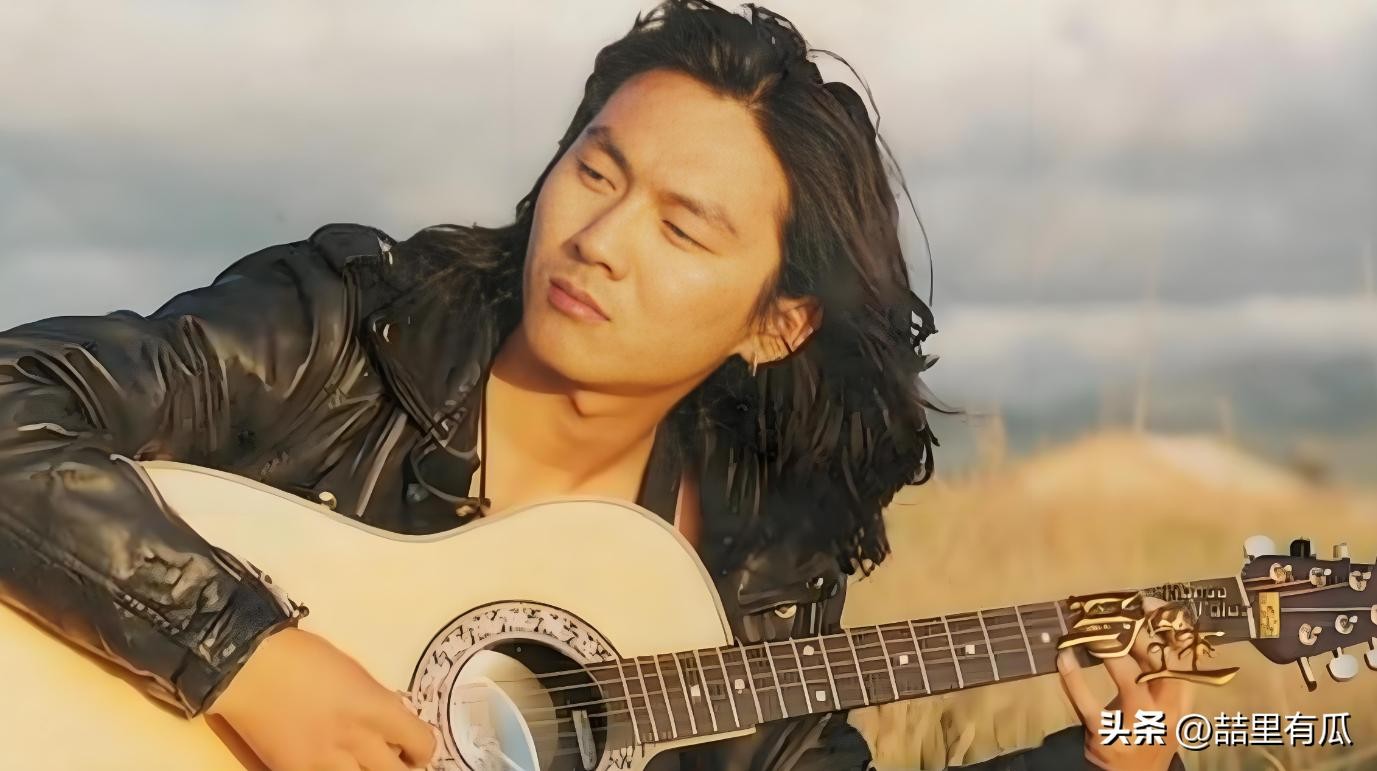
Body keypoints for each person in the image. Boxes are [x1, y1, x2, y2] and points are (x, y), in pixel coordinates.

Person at [0, 2, 1190, 769]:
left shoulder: (751, 556)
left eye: (683, 228)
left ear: (776, 325)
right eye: (598, 170)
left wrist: (1100, 762)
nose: (600, 239)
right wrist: (244, 658)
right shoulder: (351, 329)